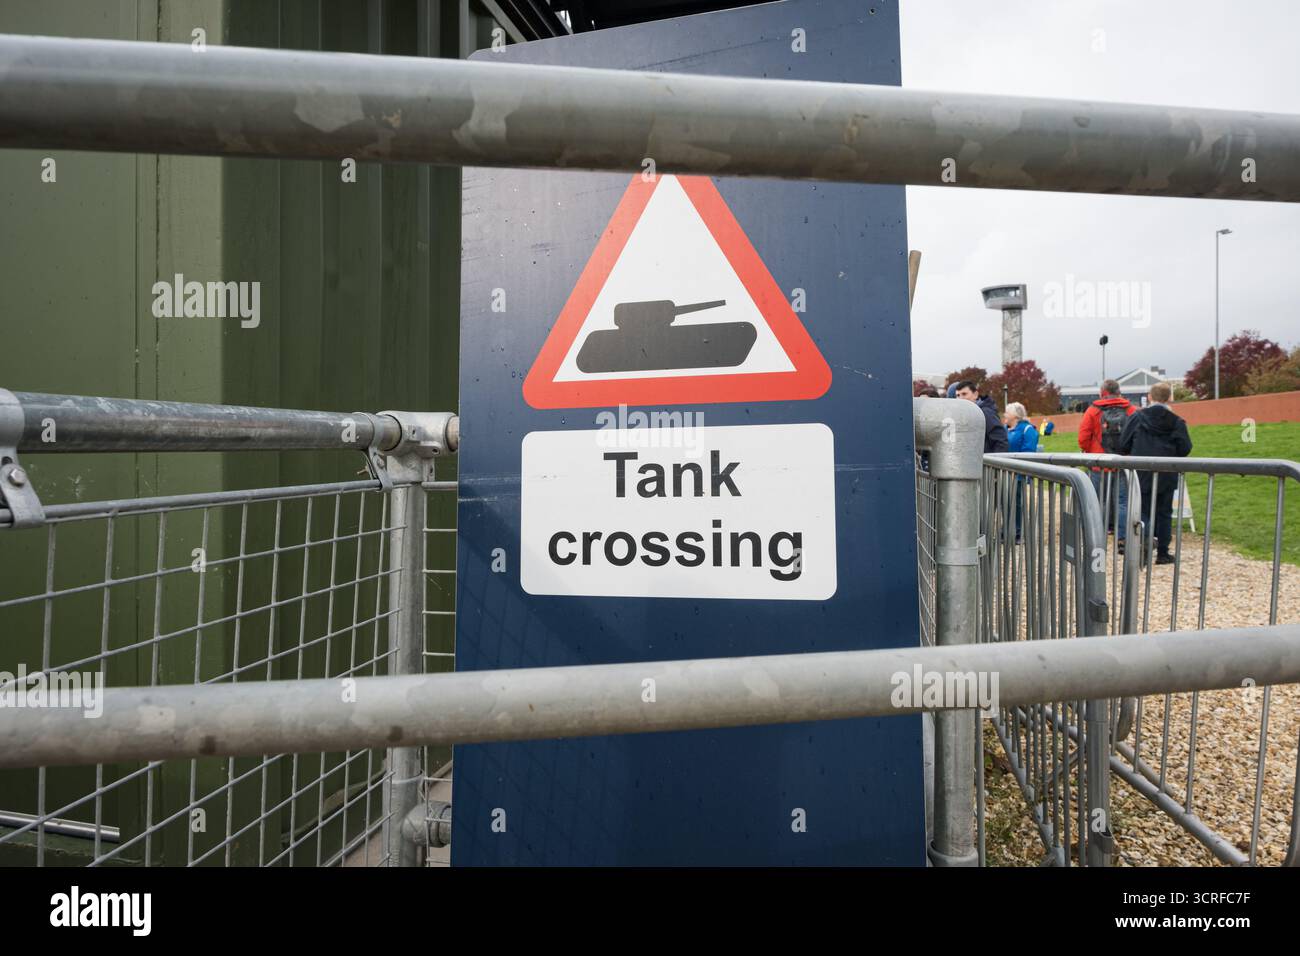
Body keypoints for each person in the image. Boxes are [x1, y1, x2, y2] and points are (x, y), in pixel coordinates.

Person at [1117, 382, 1192, 565]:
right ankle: (1163, 552)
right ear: (1169, 398)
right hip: (1166, 472)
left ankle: (1145, 541)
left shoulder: (1137, 418)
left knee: (1142, 510)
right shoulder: (1177, 421)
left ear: (1150, 397)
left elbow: (1123, 443)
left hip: (1142, 472)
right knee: (1165, 512)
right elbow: (1185, 447)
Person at [1077, 379, 1135, 544]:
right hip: (1123, 462)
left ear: (1102, 392)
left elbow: (1083, 438)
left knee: (1098, 500)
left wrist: (1089, 450)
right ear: (1118, 391)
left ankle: (1098, 536)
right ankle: (1122, 537)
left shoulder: (1093, 410)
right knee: (1122, 501)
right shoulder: (1130, 410)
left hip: (1098, 463)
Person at [1003, 403, 1038, 540]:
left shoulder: (1027, 429)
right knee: (1004, 501)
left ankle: (1019, 530)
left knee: (1017, 502)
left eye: (1007, 412)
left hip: (1017, 473)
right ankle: (1007, 527)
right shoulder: (1005, 429)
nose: (1004, 415)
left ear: (1015, 415)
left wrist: (1019, 469)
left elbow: (1028, 451)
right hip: (1005, 470)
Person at [954, 380, 1009, 453]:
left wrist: (994, 463)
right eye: (958, 395)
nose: (960, 398)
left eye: (964, 394)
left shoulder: (986, 413)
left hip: (985, 462)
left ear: (975, 395)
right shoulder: (965, 414)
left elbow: (1000, 441)